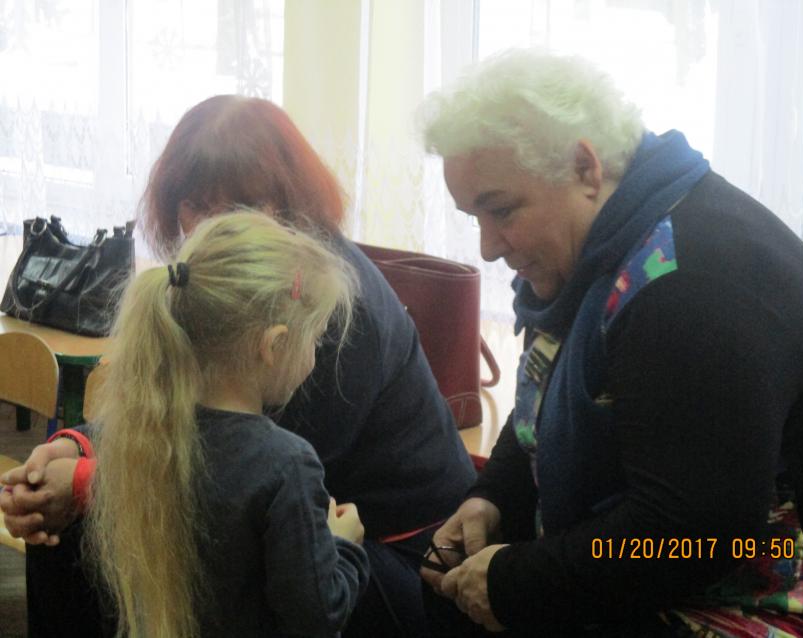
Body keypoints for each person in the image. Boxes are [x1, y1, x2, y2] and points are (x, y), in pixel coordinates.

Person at [1, 95, 477, 637]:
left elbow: (236, 482)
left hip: (393, 553)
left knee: (91, 522)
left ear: (288, 202)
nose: (214, 225)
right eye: (197, 204)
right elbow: (170, 409)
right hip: (286, 510)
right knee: (64, 528)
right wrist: (77, 447)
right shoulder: (219, 290)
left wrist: (88, 483)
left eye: (243, 204)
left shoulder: (327, 311)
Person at [417, 49, 803, 636]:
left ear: (585, 168)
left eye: (501, 211)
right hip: (681, 565)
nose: (488, 247)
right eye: (475, 217)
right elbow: (541, 405)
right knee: (444, 590)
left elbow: (695, 537)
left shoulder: (687, 283)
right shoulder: (604, 250)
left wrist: (517, 579)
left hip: (774, 603)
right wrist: (492, 498)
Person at [63, 211, 368, 637]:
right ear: (275, 344)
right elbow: (316, 614)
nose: (316, 354)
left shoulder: (143, 431)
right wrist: (342, 545)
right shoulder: (287, 465)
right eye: (315, 339)